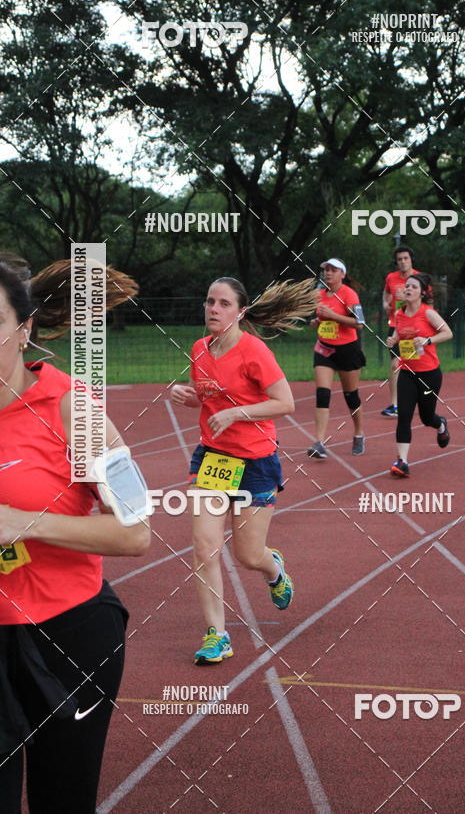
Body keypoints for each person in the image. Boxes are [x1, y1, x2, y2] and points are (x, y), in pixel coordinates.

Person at [0, 254, 149, 814]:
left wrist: (24, 523)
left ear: (25, 330)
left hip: (68, 637)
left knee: (62, 799)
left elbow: (136, 531)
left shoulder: (74, 411)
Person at [170, 277, 316, 665]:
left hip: (255, 462)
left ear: (240, 312)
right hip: (213, 458)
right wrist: (187, 397)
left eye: (223, 303)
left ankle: (274, 570)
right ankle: (217, 634)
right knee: (204, 546)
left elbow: (285, 403)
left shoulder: (254, 351)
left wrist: (237, 413)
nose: (213, 309)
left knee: (248, 555)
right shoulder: (199, 349)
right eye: (209, 301)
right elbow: (208, 398)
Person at [385, 273, 452, 477]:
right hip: (407, 372)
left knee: (426, 417)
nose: (408, 289)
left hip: (429, 374)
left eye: (413, 287)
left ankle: (440, 424)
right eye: (407, 286)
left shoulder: (428, 313)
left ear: (422, 293)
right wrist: (393, 341)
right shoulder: (399, 313)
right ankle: (402, 462)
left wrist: (427, 340)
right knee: (404, 416)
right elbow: (399, 334)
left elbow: (448, 333)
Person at [306, 258, 366, 459]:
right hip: (324, 349)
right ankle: (319, 442)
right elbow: (323, 319)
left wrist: (333, 316)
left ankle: (358, 433)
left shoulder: (349, 294)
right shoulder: (319, 294)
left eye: (333, 270)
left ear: (342, 274)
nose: (328, 273)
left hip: (347, 350)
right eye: (326, 270)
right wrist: (317, 322)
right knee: (322, 394)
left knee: (351, 396)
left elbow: (359, 324)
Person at [380, 246, 431, 417]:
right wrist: (386, 303)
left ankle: (420, 396)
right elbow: (386, 293)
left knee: (415, 363)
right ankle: (395, 404)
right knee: (395, 364)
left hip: (415, 327)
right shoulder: (391, 278)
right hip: (396, 326)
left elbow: (429, 303)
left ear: (411, 260)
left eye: (405, 258)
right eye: (399, 259)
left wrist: (409, 299)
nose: (402, 262)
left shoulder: (420, 278)